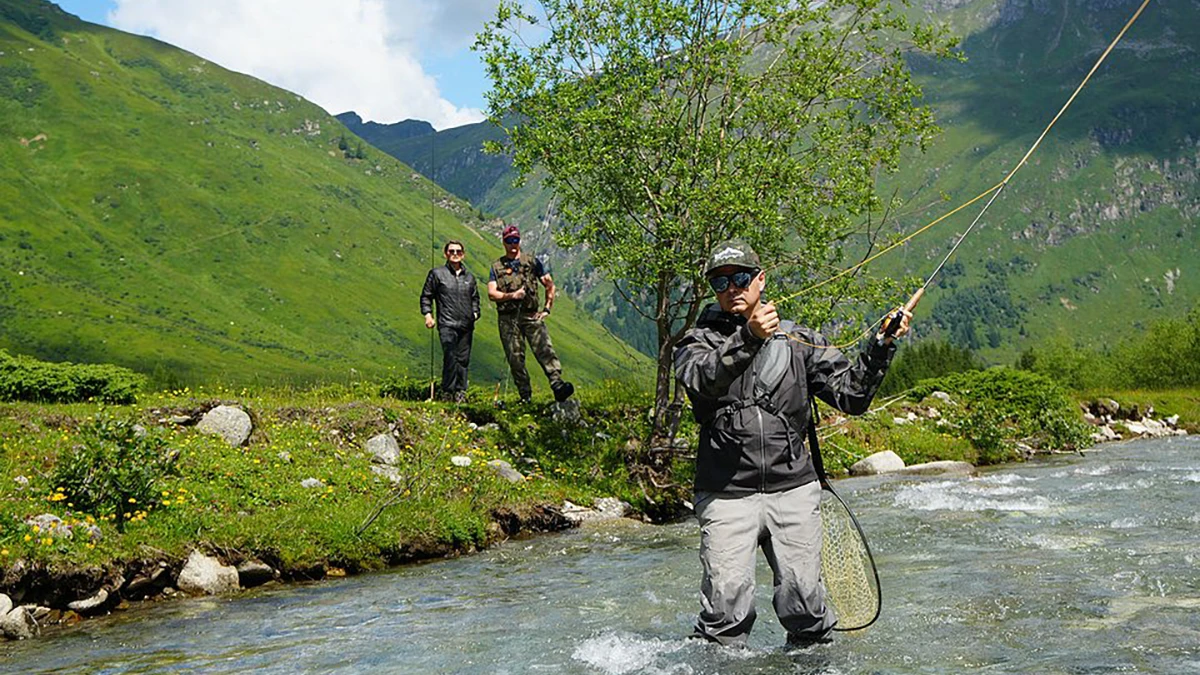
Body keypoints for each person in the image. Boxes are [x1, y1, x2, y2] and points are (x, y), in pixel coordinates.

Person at [673, 239, 911, 647]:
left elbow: (851, 395)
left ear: (760, 280)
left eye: (741, 277)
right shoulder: (694, 342)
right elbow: (703, 379)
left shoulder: (798, 340)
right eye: (721, 281)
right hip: (726, 493)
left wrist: (880, 346)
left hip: (793, 488)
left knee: (804, 605)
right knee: (724, 612)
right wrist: (748, 337)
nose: (732, 287)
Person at [486, 224, 574, 403]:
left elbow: (549, 284)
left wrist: (547, 308)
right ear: (503, 242)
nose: (513, 244)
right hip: (507, 319)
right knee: (515, 358)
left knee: (544, 349)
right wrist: (512, 295)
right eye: (509, 240)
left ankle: (557, 385)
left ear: (520, 240)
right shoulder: (496, 267)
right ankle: (525, 395)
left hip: (531, 315)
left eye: (516, 240)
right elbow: (492, 293)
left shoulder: (532, 262)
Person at [420, 239, 480, 402]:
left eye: (458, 251)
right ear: (446, 254)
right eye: (452, 251)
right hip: (447, 323)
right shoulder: (437, 274)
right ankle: (447, 392)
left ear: (463, 254)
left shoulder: (470, 277)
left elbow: (475, 298)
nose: (455, 254)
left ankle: (461, 393)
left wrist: (475, 313)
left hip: (467, 325)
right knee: (450, 355)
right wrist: (428, 315)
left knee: (464, 359)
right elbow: (426, 296)